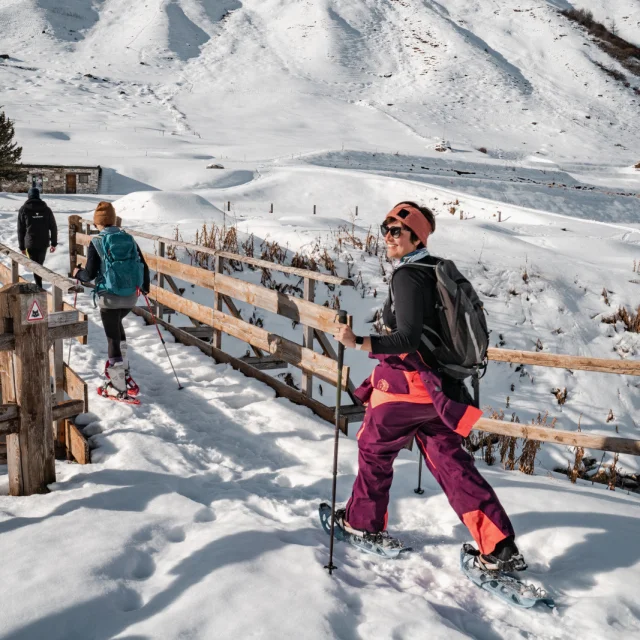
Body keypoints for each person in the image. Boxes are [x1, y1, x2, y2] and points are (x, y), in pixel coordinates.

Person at [333, 201, 526, 572]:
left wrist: (357, 341)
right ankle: (498, 546)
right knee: (453, 465)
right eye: (385, 228)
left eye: (396, 231)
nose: (387, 237)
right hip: (438, 392)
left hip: (405, 388)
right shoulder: (435, 270)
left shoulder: (406, 276)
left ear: (415, 236)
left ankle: (361, 523)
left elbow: (405, 338)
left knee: (373, 449)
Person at [73, 202, 150, 401]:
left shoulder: (97, 241)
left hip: (109, 297)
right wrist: (145, 288)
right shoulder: (129, 238)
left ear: (98, 223)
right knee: (117, 326)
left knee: (112, 337)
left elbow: (89, 274)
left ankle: (117, 385)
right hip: (131, 297)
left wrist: (77, 273)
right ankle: (123, 371)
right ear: (114, 220)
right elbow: (144, 265)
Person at [17, 187, 57, 288]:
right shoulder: (46, 209)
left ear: (28, 196)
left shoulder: (23, 209)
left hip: (29, 243)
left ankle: (39, 287)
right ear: (38, 196)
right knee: (39, 265)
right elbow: (53, 227)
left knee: (36, 265)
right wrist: (53, 243)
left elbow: (20, 230)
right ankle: (39, 286)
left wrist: (21, 246)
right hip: (43, 243)